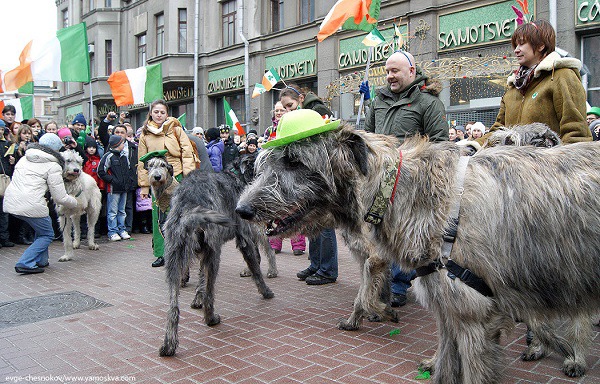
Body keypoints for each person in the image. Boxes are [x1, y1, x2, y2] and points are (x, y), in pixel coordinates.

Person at [360, 50, 449, 306]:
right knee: (379, 230)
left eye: (395, 71)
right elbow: (368, 136)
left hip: (412, 183)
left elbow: (441, 144)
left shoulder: (428, 103)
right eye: (387, 71)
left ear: (411, 71)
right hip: (381, 181)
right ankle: (383, 282)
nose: (389, 76)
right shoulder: (378, 101)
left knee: (404, 232)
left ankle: (399, 285)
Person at [485, 19, 591, 144]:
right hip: (513, 163)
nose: (516, 50)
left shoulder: (562, 76)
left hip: (549, 162)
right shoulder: (514, 87)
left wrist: (561, 163)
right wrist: (471, 147)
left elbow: (576, 133)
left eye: (522, 44)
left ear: (541, 45)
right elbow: (498, 131)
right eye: (516, 45)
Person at [279, 83, 338, 285]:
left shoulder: (318, 111)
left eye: (290, 105)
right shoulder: (303, 114)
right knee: (311, 221)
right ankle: (316, 264)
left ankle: (328, 269)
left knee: (325, 223)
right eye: (285, 107)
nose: (288, 111)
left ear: (301, 99)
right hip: (309, 175)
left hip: (322, 174)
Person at [3, 133, 77, 274]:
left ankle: (41, 261)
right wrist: (74, 202)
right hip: (31, 204)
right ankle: (25, 262)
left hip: (12, 201)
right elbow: (60, 197)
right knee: (47, 234)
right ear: (55, 150)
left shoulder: (24, 159)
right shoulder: (52, 165)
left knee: (42, 229)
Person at [137, 99, 196, 267]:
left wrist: (189, 177)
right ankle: (162, 253)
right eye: (156, 112)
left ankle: (185, 249)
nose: (159, 115)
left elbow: (187, 152)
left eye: (162, 112)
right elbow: (141, 162)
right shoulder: (145, 133)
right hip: (156, 181)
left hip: (175, 176)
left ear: (167, 114)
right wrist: (143, 185)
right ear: (151, 113)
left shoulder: (176, 130)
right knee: (158, 217)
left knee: (181, 215)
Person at [98, 135, 131, 242]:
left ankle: (122, 230)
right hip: (113, 188)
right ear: (117, 144)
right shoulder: (109, 156)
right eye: (122, 143)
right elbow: (101, 171)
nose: (123, 145)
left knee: (122, 210)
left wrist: (127, 183)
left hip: (123, 188)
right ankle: (112, 231)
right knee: (112, 211)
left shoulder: (124, 157)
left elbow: (128, 171)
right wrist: (112, 180)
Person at [0, 119, 15, 249]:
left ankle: (4, 238)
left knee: (4, 211)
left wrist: (12, 161)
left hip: (4, 179)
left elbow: (11, 166)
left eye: (1, 129)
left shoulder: (7, 144)